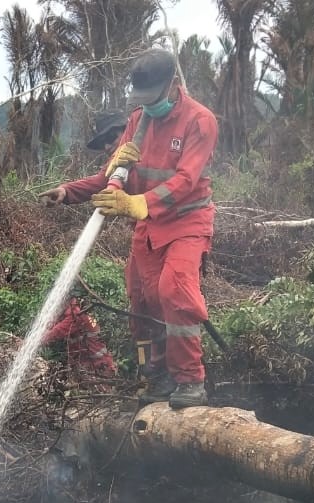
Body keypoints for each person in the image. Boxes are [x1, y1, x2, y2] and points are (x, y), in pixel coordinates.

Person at [40, 47, 217, 409]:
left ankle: (190, 381)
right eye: (142, 100)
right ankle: (156, 376)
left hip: (186, 222)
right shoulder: (139, 121)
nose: (148, 106)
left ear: (173, 85)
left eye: (153, 99)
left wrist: (138, 203)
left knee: (174, 290)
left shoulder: (200, 121)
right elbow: (113, 175)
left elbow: (185, 180)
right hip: (149, 227)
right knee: (142, 299)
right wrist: (68, 191)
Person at [42, 297, 117, 378]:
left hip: (99, 366)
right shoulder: (75, 313)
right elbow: (52, 326)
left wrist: (31, 342)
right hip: (89, 365)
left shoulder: (75, 316)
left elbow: (55, 333)